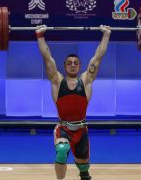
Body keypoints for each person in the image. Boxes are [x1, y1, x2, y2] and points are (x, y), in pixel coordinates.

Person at [36, 24, 111, 180]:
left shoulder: (86, 81)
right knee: (62, 149)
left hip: (81, 130)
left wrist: (106, 35)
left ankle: (84, 172)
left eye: (75, 63)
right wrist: (40, 35)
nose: (72, 65)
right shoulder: (57, 81)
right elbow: (47, 57)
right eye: (69, 63)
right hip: (63, 128)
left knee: (83, 167)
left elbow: (98, 56)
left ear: (80, 66)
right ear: (64, 66)